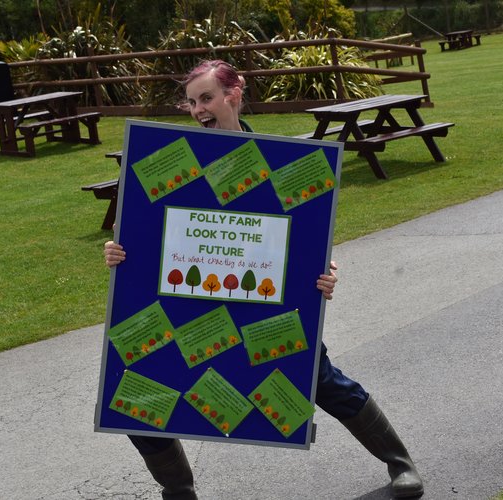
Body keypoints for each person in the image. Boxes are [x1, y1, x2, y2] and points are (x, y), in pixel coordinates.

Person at [102, 59, 424, 500]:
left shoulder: (283, 163)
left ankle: (401, 466)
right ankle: (179, 493)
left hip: (263, 307)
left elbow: (304, 239)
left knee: (320, 378)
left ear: (233, 94)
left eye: (207, 98)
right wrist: (120, 252)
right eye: (192, 102)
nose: (198, 109)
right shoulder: (170, 161)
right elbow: (145, 234)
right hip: (185, 306)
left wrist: (325, 271)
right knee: (141, 388)